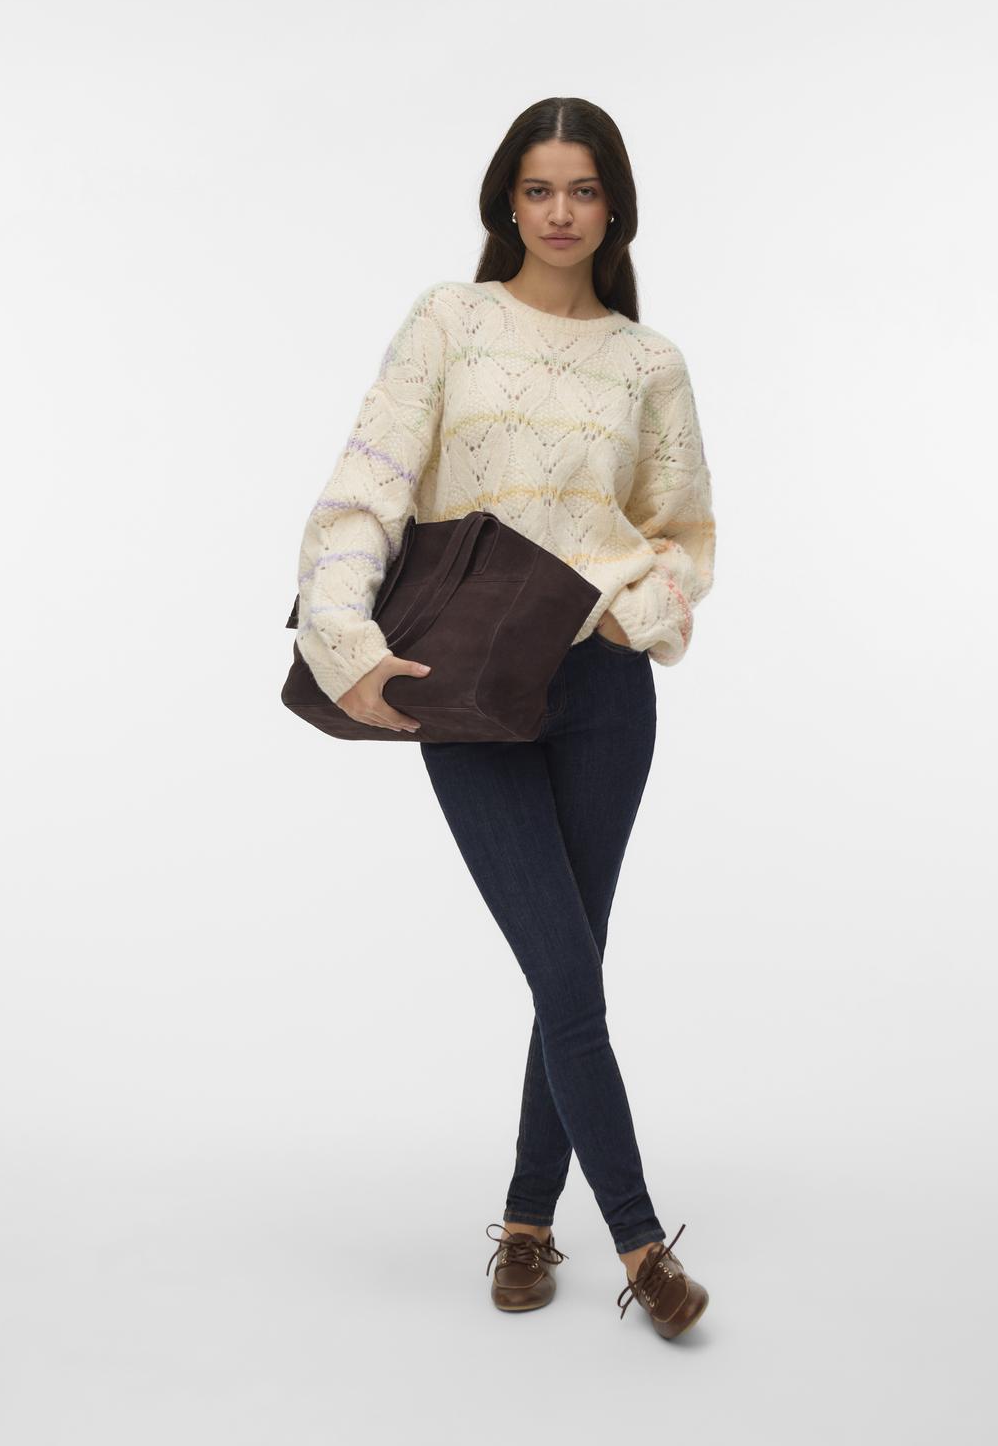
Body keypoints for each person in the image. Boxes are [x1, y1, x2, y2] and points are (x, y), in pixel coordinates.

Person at [292, 97, 716, 1340]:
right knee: (567, 970)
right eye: (539, 190)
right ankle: (641, 1244)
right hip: (465, 683)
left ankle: (530, 1222)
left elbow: (682, 532)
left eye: (583, 189)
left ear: (614, 205)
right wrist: (343, 638)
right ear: (507, 204)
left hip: (602, 692)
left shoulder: (650, 362)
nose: (561, 212)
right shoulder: (450, 320)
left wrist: (639, 614)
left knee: (566, 968)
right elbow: (370, 480)